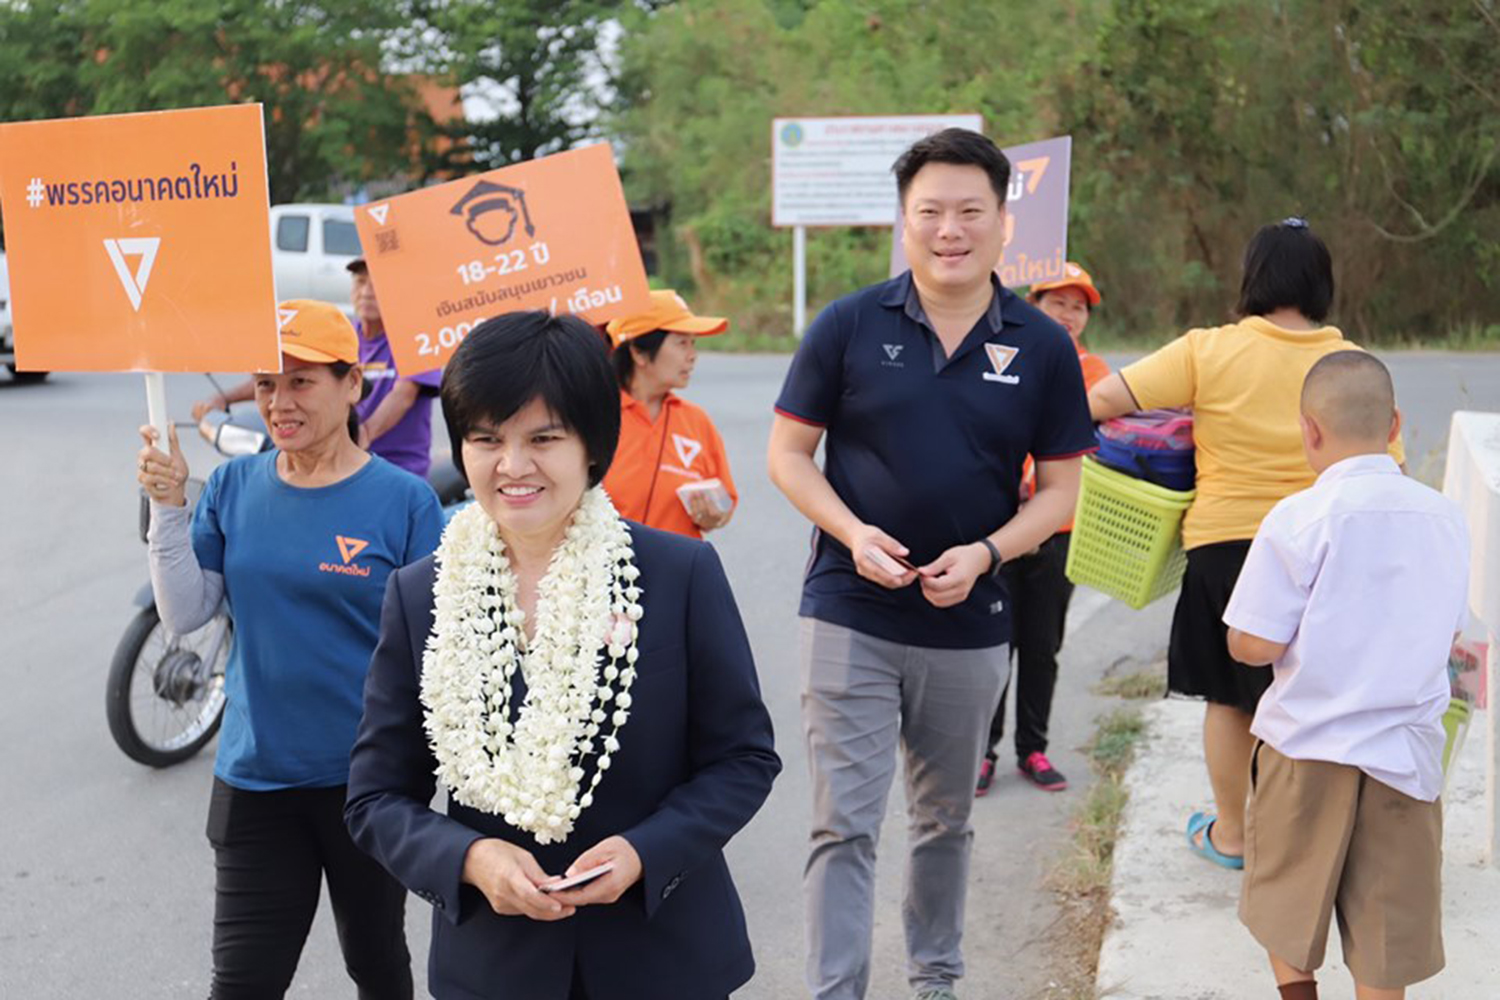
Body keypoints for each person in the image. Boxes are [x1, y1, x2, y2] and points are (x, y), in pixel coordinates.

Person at [344, 311, 780, 1000]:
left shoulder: (677, 574)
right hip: (496, 965)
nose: (512, 466)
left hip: (661, 958)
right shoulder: (422, 593)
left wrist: (646, 852)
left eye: (542, 438)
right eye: (486, 439)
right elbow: (375, 798)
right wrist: (471, 858)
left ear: (592, 447)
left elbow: (743, 758)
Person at [767, 128, 1095, 1000]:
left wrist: (989, 552)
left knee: (945, 822)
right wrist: (852, 533)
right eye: (930, 212)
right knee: (843, 824)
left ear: (1001, 221)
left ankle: (934, 982)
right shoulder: (847, 323)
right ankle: (836, 991)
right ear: (903, 220)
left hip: (972, 622)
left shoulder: (1042, 343)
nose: (949, 230)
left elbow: (1062, 493)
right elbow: (789, 456)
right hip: (848, 610)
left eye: (969, 212)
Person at [136, 299, 444, 999]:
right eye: (267, 384)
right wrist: (167, 506)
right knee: (244, 984)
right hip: (256, 780)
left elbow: (434, 652)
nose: (279, 402)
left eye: (302, 381)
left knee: (377, 965)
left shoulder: (404, 502)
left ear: (352, 385)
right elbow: (185, 613)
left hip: (368, 787)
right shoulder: (233, 486)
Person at [1088, 218, 1405, 871]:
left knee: (1230, 701)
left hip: (1226, 550)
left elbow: (1100, 401)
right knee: (1323, 699)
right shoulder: (1353, 366)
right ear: (1322, 284)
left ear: (1252, 280)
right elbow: (1388, 471)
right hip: (1328, 552)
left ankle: (1233, 835)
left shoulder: (1207, 350)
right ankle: (1321, 840)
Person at [1224, 351, 1467, 1000]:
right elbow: (1456, 635)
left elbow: (1251, 643)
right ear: (1395, 423)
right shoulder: (1446, 518)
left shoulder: (1298, 519)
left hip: (1308, 748)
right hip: (1403, 757)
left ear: (1309, 429)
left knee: (1283, 908)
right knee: (1386, 940)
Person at [978, 263, 1111, 795]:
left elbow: (1098, 428)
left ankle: (1032, 748)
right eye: (1059, 302)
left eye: (1079, 306)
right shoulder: (1000, 357)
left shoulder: (1094, 371)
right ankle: (981, 753)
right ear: (1033, 305)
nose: (1069, 314)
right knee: (992, 646)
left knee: (1041, 645)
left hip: (1060, 525)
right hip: (999, 527)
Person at [192, 257, 442, 477]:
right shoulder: (343, 334)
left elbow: (403, 394)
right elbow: (283, 374)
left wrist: (365, 433)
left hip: (395, 464)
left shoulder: (414, 338)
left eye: (377, 285)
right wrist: (221, 398)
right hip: (333, 462)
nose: (367, 292)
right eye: (360, 282)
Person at [601, 289, 737, 538]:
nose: (692, 356)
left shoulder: (697, 421)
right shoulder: (597, 417)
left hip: (679, 572)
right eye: (681, 343)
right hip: (607, 570)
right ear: (638, 352)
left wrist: (714, 516)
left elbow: (725, 504)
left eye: (693, 343)